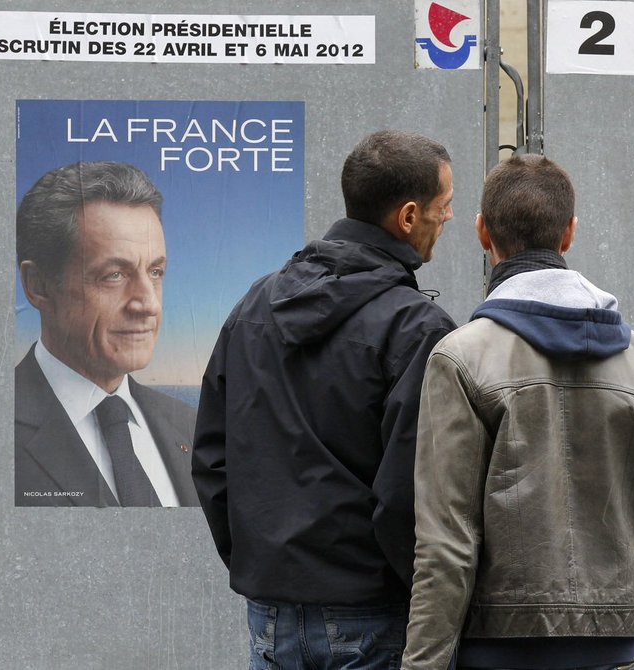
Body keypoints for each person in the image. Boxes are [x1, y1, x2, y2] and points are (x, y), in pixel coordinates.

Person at [402, 154, 634, 670]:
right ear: (569, 235)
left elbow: (447, 545)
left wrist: (422, 664)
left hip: (496, 652)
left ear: (482, 232)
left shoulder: (460, 358)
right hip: (612, 651)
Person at [192, 130, 458, 670]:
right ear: (408, 217)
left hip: (270, 617)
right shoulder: (415, 328)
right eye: (444, 206)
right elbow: (413, 491)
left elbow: (212, 459)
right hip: (373, 617)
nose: (448, 218)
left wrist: (260, 563)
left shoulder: (254, 307)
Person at [15, 161, 199, 507]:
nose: (148, 304)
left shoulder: (191, 426)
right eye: (114, 275)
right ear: (38, 286)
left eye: (156, 272)